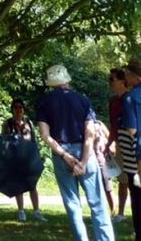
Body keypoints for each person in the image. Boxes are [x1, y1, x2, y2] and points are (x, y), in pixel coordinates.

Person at [36, 64, 115, 241]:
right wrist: (84, 161)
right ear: (67, 81)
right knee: (98, 203)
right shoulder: (82, 100)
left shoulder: (44, 102)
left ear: (51, 83)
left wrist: (65, 155)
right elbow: (90, 132)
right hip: (84, 151)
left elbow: (45, 135)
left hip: (61, 154)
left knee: (72, 205)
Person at [2, 98, 47, 222]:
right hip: (15, 158)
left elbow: (34, 140)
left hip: (29, 157)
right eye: (15, 107)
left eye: (20, 107)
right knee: (19, 186)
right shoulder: (7, 124)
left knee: (32, 185)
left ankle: (36, 211)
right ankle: (21, 211)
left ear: (23, 109)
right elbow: (4, 142)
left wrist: (36, 155)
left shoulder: (29, 123)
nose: (18, 110)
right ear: (12, 109)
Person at [121, 57, 141, 241]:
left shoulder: (129, 98)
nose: (125, 77)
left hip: (139, 153)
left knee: (138, 196)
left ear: (136, 77)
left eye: (127, 74)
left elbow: (132, 129)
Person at [108, 68, 130, 222]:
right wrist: (109, 142)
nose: (110, 82)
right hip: (120, 145)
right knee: (123, 179)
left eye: (112, 79)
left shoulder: (132, 98)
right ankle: (121, 213)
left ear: (123, 81)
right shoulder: (113, 101)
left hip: (134, 143)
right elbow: (113, 124)